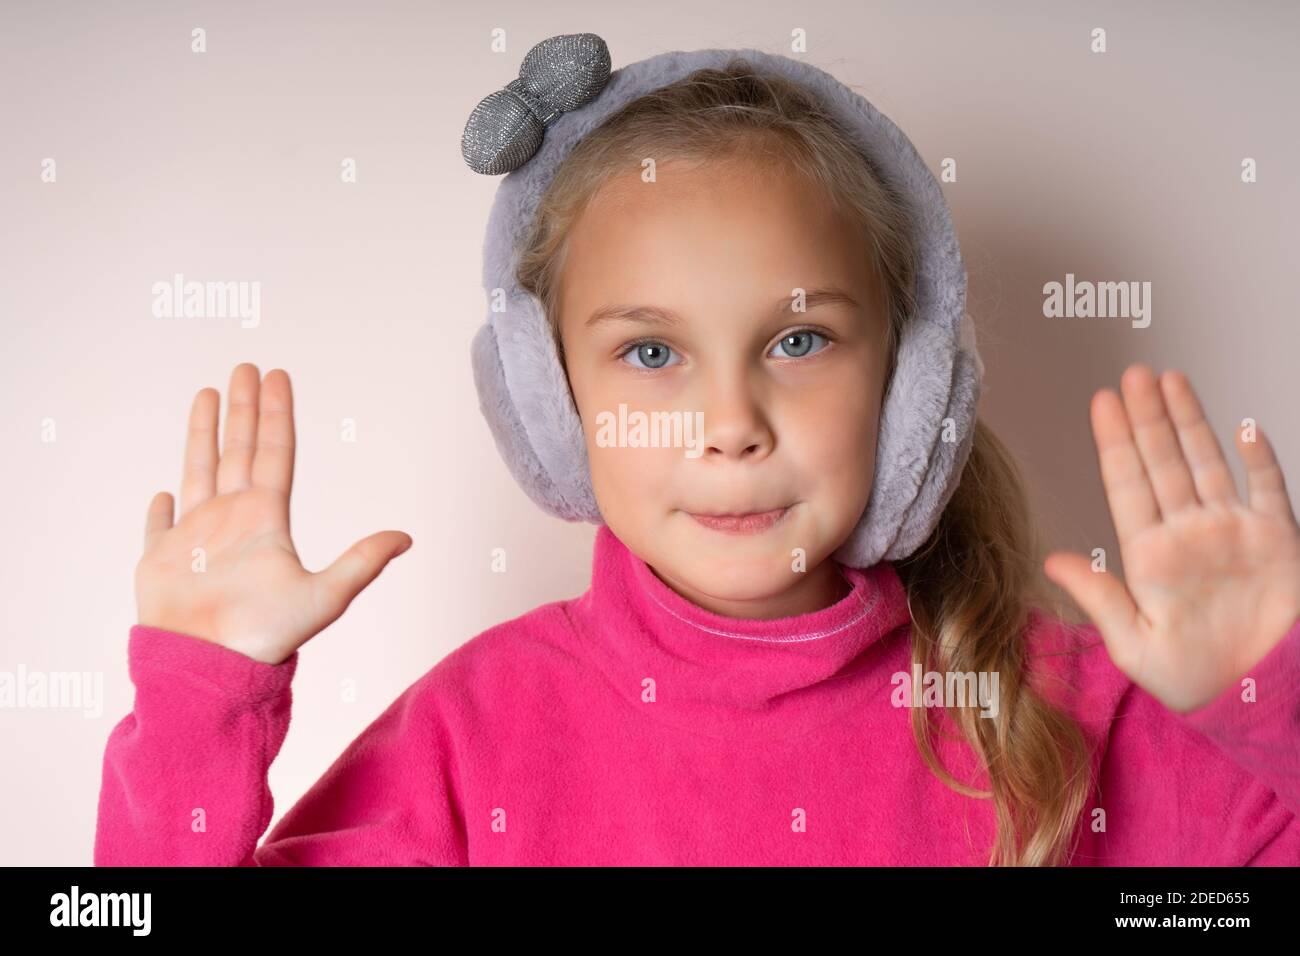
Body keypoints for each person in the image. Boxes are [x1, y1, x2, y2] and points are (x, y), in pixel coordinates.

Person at [95, 36, 1300, 866]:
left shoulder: (1066, 713)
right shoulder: (475, 733)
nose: (731, 422)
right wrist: (200, 697)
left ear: (908, 379)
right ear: (548, 401)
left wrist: (1273, 695)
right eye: (652, 355)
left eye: (797, 336)